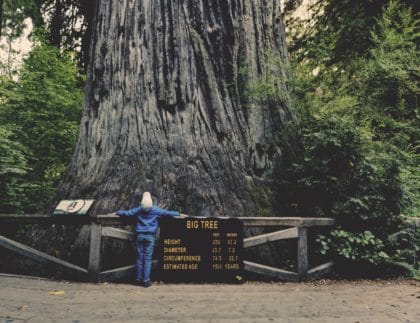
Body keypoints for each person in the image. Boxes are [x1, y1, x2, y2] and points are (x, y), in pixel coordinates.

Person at [116, 192, 181, 287]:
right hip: (150, 236)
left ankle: (138, 279)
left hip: (140, 236)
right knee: (147, 258)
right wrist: (177, 213)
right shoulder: (155, 209)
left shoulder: (139, 209)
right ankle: (146, 281)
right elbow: (167, 213)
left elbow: (127, 214)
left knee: (139, 258)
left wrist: (118, 212)